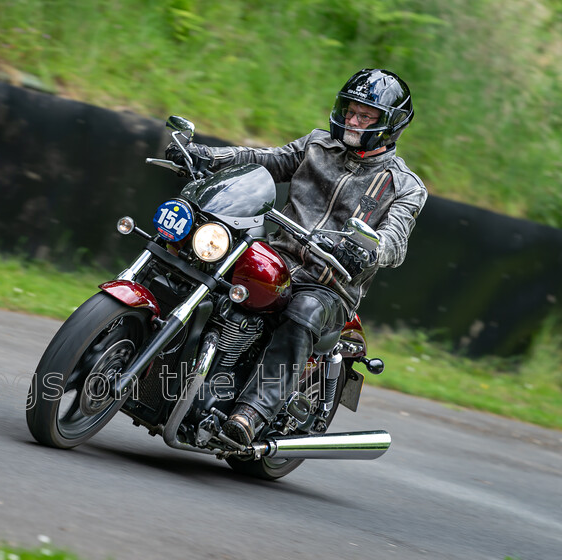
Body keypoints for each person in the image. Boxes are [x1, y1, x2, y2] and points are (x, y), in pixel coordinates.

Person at [165, 68, 428, 445]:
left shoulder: (404, 185)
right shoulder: (317, 146)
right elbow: (265, 159)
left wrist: (366, 250)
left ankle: (251, 413)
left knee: (303, 312)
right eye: (351, 110)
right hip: (279, 255)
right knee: (208, 265)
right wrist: (207, 154)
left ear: (390, 124)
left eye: (365, 116)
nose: (353, 120)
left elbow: (395, 241)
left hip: (331, 283)